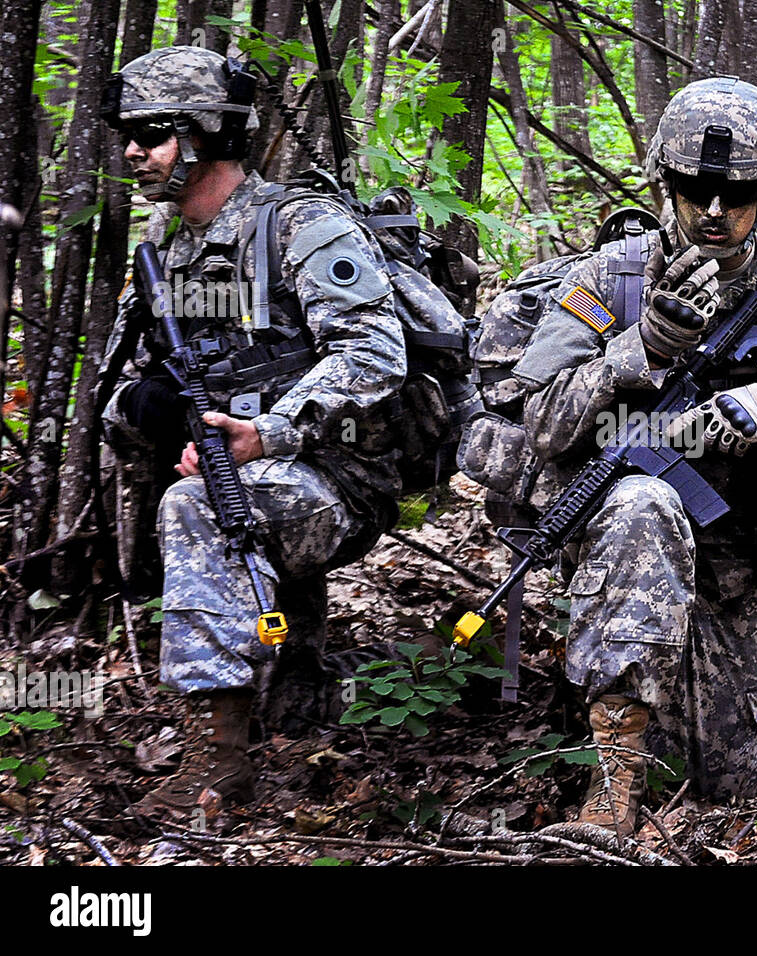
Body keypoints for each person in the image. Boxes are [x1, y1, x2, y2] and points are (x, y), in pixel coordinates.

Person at [509, 76, 757, 836]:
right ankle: (609, 789)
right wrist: (636, 349)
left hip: (733, 564)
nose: (714, 211)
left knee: (728, 780)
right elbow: (540, 422)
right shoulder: (608, 280)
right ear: (664, 184)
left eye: (737, 192)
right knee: (643, 502)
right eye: (694, 188)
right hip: (616, 547)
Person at [99, 47, 407, 818]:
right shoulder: (165, 251)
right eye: (126, 132)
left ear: (206, 135)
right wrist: (151, 409)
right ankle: (290, 694)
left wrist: (266, 433)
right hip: (243, 471)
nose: (133, 150)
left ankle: (216, 767)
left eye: (153, 132)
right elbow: (125, 382)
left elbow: (374, 353)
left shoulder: (301, 226)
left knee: (194, 507)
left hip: (339, 485)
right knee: (203, 494)